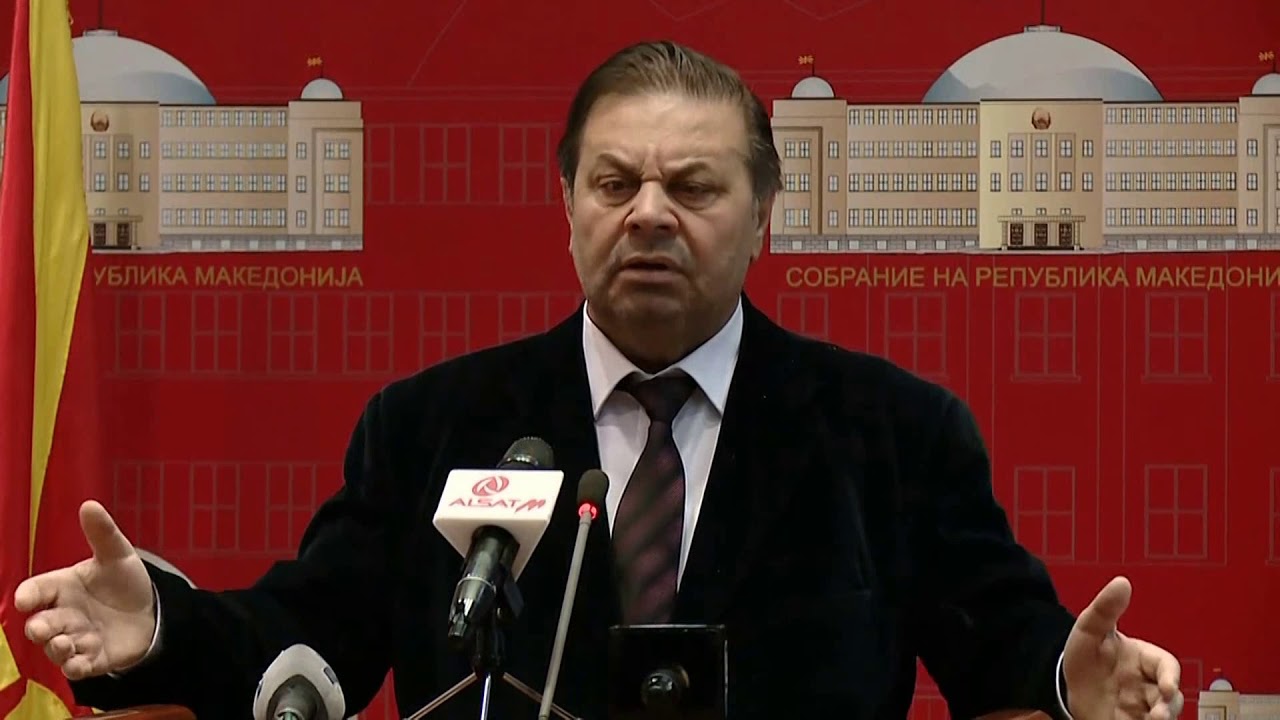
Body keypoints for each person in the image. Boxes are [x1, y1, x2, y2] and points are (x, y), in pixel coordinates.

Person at [15, 41, 1183, 720]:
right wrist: (166, 625)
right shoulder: (435, 425)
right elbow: (312, 632)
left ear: (764, 215)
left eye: (694, 186)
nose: (649, 215)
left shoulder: (891, 432)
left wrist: (1070, 680)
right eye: (614, 183)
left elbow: (999, 639)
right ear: (567, 206)